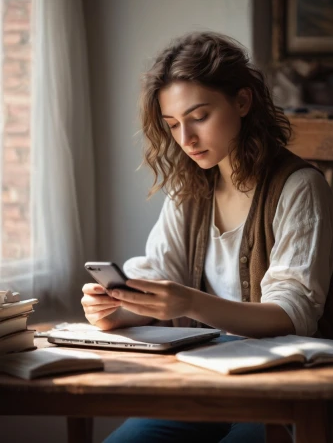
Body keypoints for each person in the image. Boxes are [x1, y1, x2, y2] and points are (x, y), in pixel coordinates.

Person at [81, 31, 333, 443]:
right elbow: (160, 275)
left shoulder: (300, 187)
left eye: (199, 116)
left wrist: (189, 301)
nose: (186, 139)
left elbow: (294, 314)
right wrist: (117, 308)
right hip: (205, 380)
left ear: (242, 101)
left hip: (285, 388)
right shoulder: (190, 191)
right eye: (174, 124)